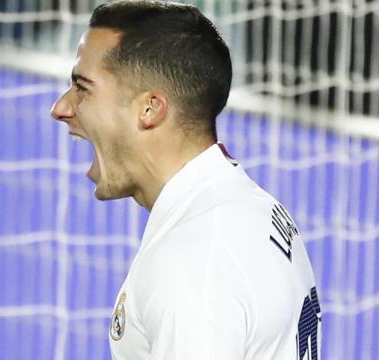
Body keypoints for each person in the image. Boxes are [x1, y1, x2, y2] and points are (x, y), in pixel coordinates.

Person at [50, 1, 322, 359]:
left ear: (150, 108)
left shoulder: (192, 263)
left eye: (83, 88)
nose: (61, 108)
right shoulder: (250, 206)